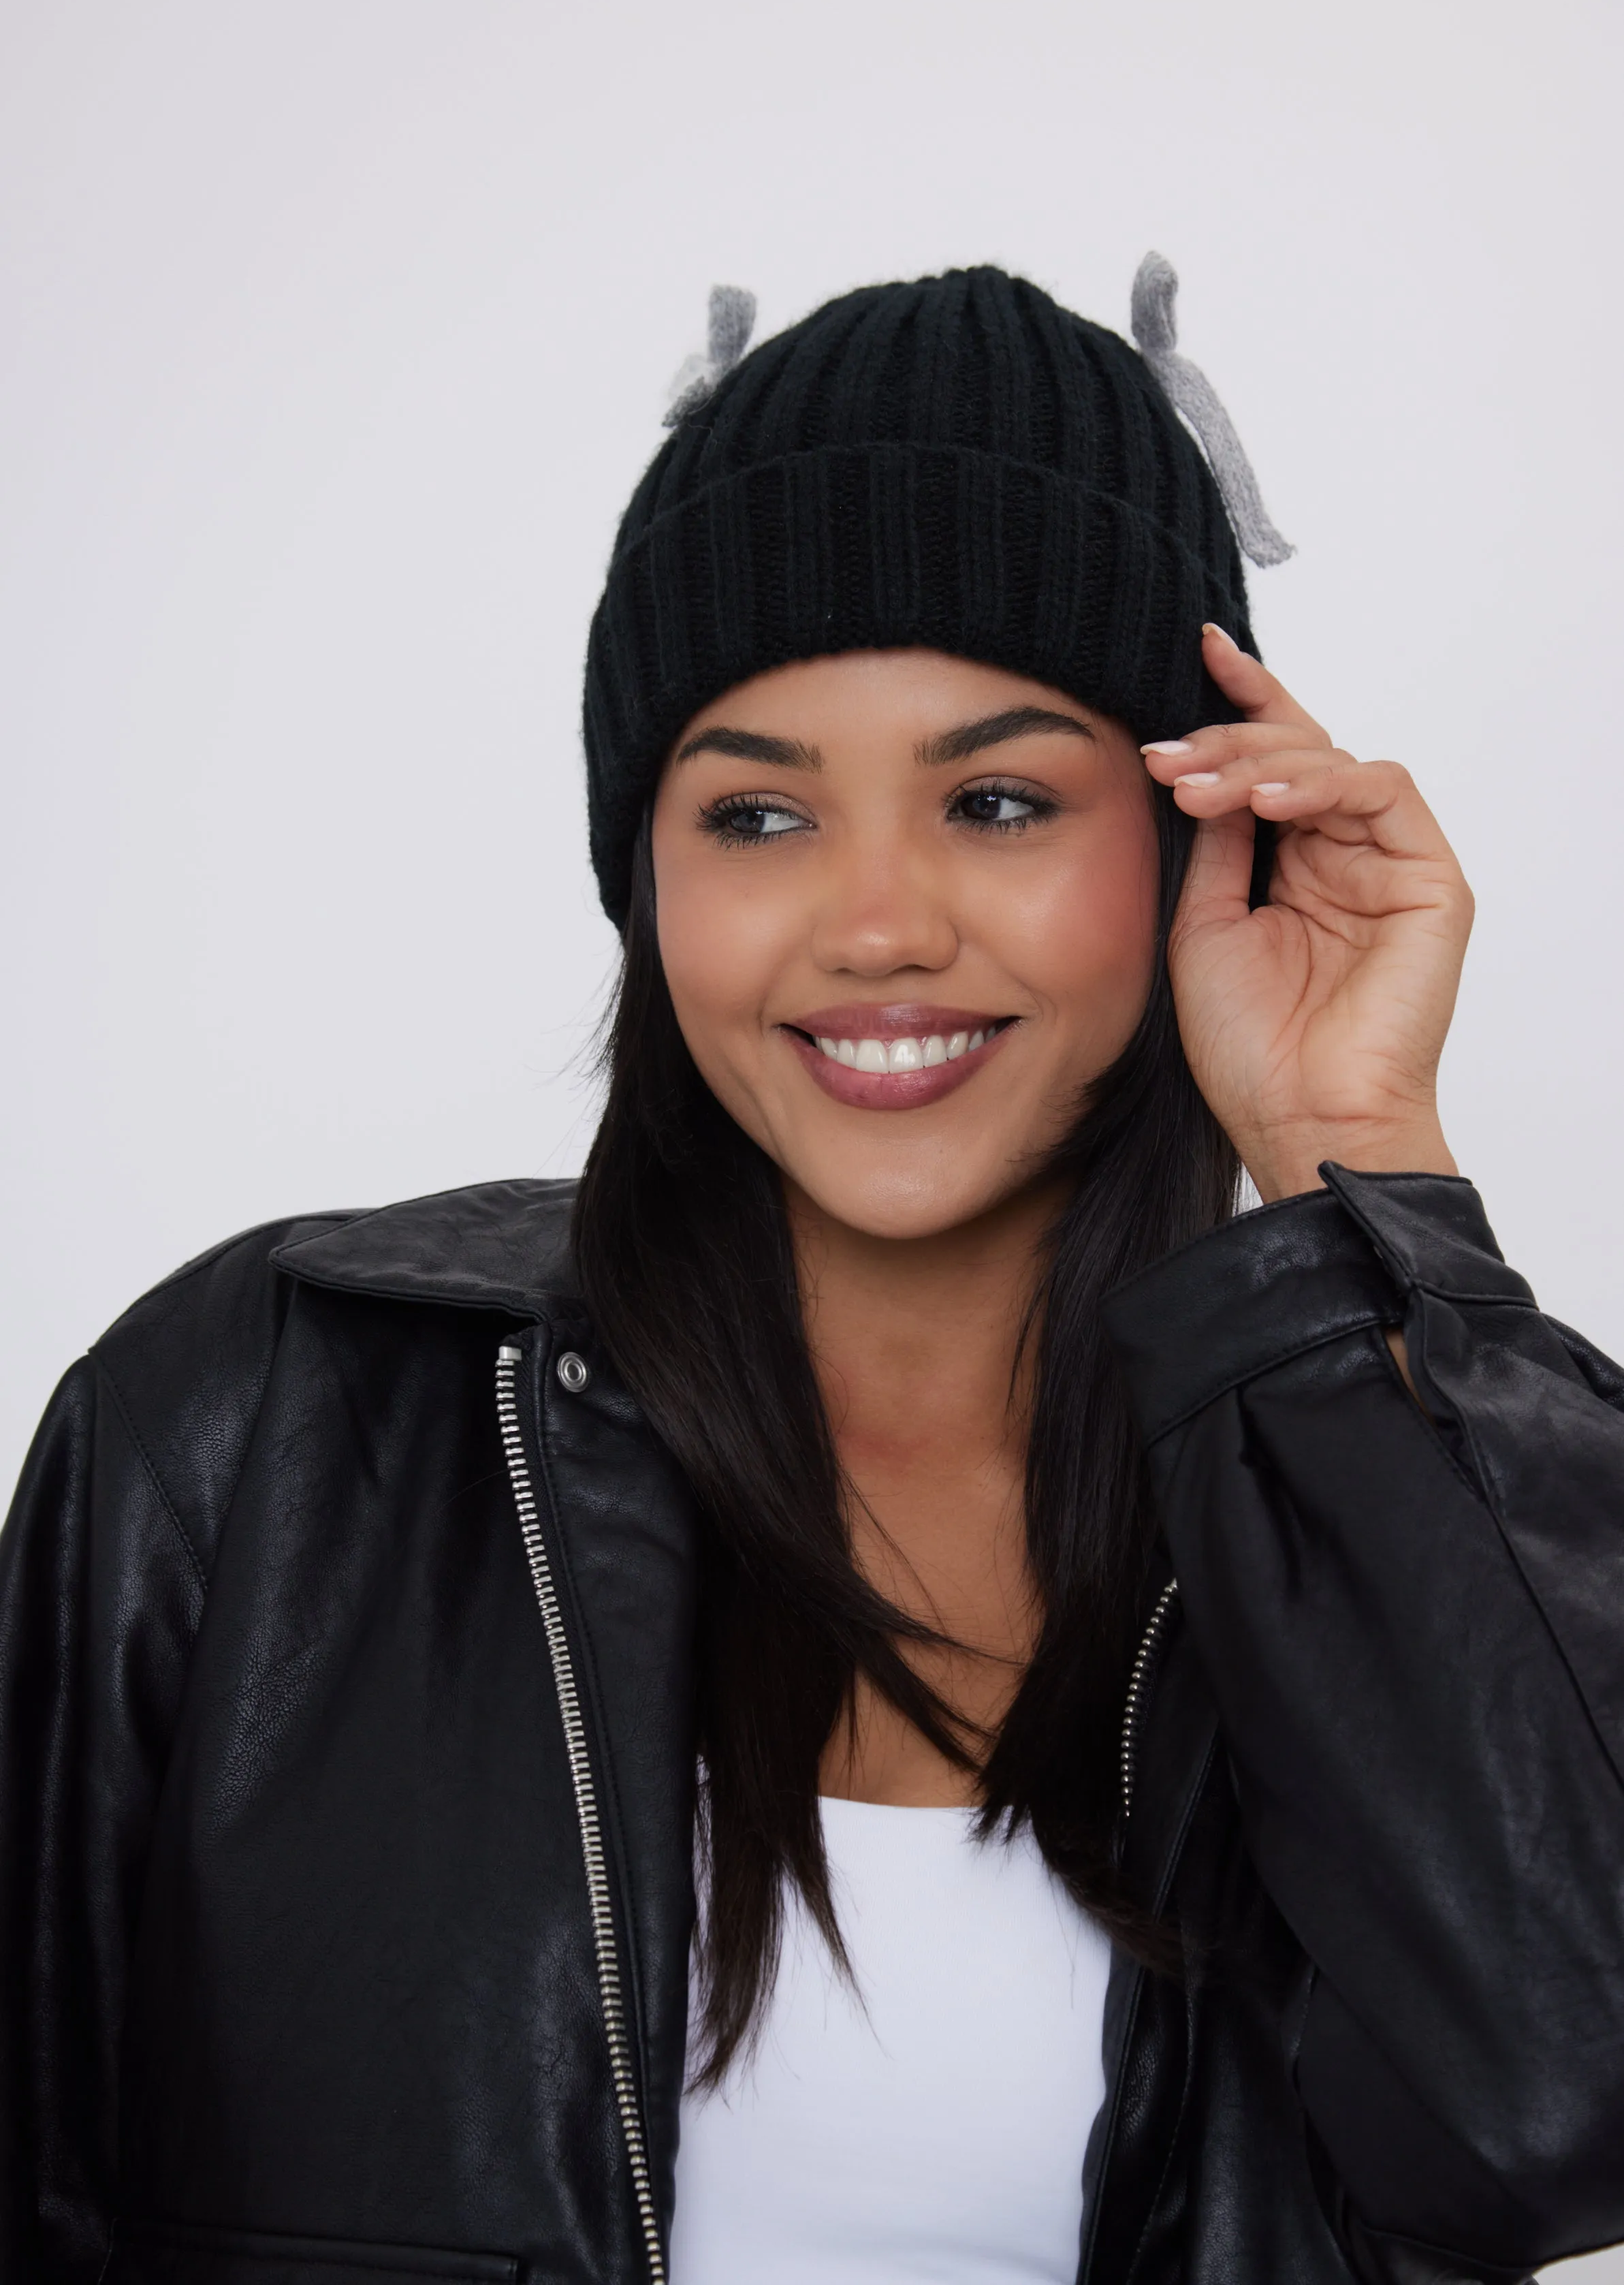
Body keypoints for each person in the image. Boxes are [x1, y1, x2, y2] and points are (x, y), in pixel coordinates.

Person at [3, 260, 1623, 2285]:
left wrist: (1358, 1176)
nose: (873, 924)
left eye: (1001, 800)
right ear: (646, 865)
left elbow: (1568, 2108)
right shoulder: (252, 1424)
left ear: (1208, 839)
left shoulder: (1341, 1472)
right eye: (758, 810)